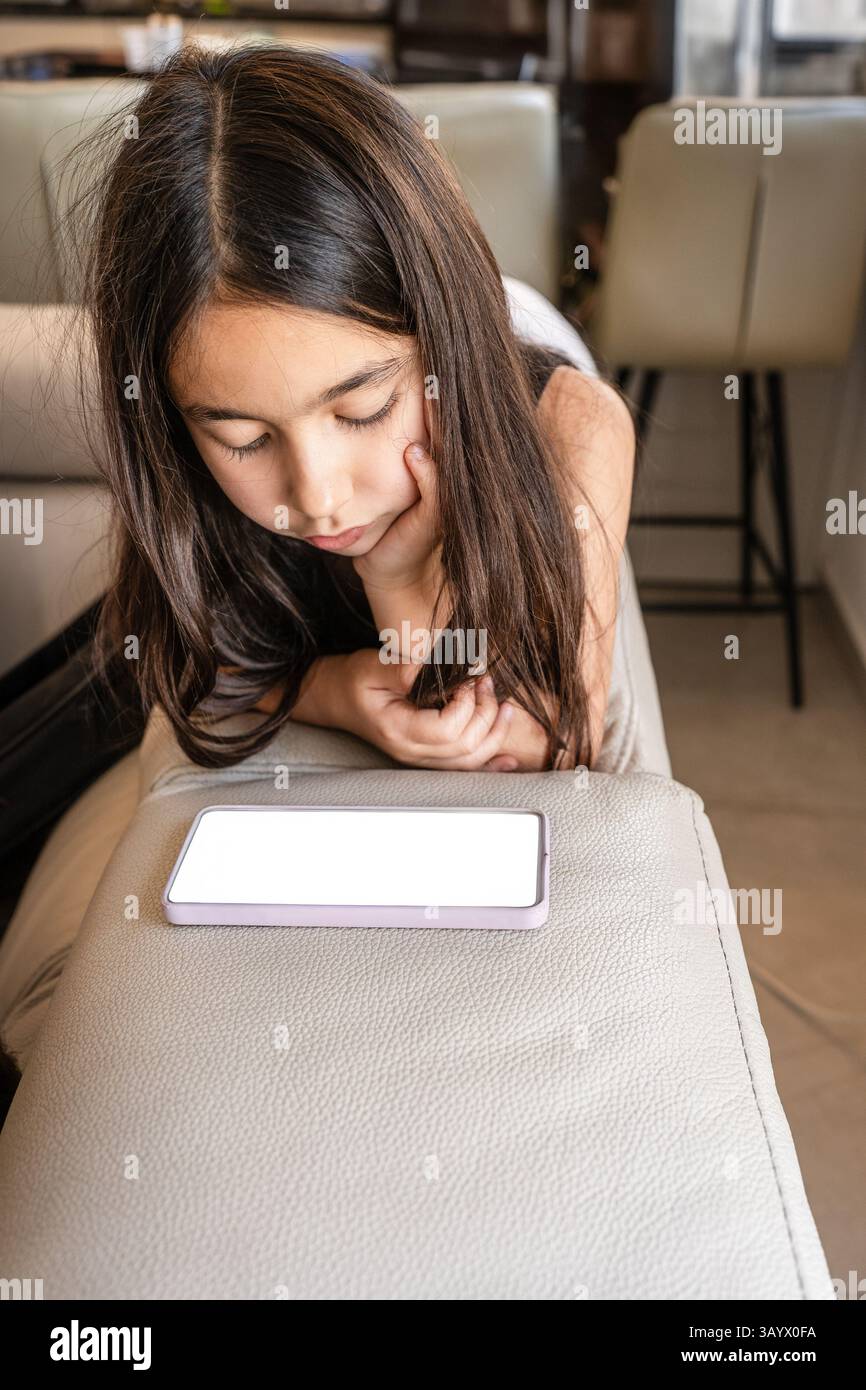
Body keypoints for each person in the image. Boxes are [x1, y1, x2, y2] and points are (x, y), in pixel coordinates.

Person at [0, 42, 635, 1118]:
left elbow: (546, 735)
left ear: (444, 327)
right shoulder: (189, 480)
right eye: (241, 434)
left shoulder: (568, 431)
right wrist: (330, 688)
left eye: (361, 411)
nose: (320, 494)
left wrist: (394, 589)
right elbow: (192, 673)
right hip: (99, 691)